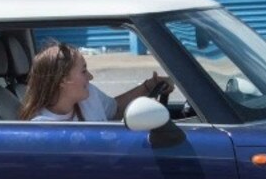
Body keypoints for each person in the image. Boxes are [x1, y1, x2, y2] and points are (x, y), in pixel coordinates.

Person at [17, 40, 171, 122]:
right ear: (62, 80)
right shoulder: (43, 127)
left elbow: (115, 110)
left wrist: (148, 86)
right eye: (83, 71)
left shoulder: (89, 95)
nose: (90, 77)